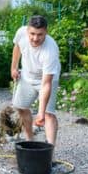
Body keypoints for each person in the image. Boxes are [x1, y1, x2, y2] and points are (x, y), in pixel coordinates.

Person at [11, 15, 61, 145]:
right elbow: (17, 47)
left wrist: (40, 113)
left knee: (48, 114)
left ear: (46, 32)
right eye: (32, 33)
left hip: (48, 79)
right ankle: (29, 140)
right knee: (20, 107)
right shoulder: (21, 32)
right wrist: (14, 67)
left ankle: (49, 150)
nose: (35, 38)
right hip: (27, 76)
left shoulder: (50, 50)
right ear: (27, 30)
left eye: (40, 34)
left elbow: (46, 84)